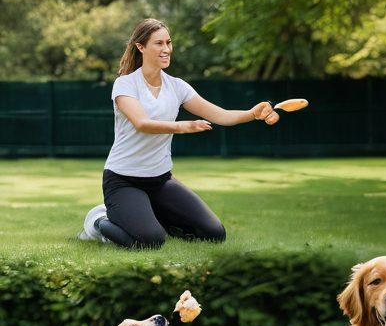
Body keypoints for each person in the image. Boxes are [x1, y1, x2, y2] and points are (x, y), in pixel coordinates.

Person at [80, 18, 276, 249]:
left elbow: (220, 115)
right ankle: (98, 221)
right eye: (158, 43)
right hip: (123, 180)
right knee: (151, 241)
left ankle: (148, 215)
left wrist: (253, 114)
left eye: (168, 42)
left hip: (161, 180)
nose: (166, 49)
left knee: (214, 234)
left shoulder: (177, 86)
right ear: (141, 47)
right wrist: (183, 126)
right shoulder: (125, 84)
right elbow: (142, 123)